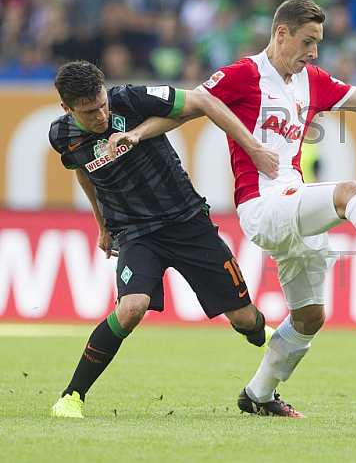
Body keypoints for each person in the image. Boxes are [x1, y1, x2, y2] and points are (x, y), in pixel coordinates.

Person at [105, 0, 356, 417]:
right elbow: (188, 106)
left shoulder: (312, 80)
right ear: (281, 33)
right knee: (347, 193)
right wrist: (138, 133)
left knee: (309, 317)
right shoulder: (244, 74)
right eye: (307, 41)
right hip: (262, 205)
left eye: (318, 43)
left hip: (294, 207)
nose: (314, 52)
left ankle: (258, 395)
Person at [49, 60, 280, 418]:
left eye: (101, 104)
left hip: (187, 222)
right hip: (136, 232)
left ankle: (258, 333)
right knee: (130, 308)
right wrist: (102, 224)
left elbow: (202, 101)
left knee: (244, 318)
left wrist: (254, 148)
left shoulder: (130, 99)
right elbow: (82, 170)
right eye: (89, 112)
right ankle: (71, 397)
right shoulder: (61, 136)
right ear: (67, 108)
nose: (101, 115)